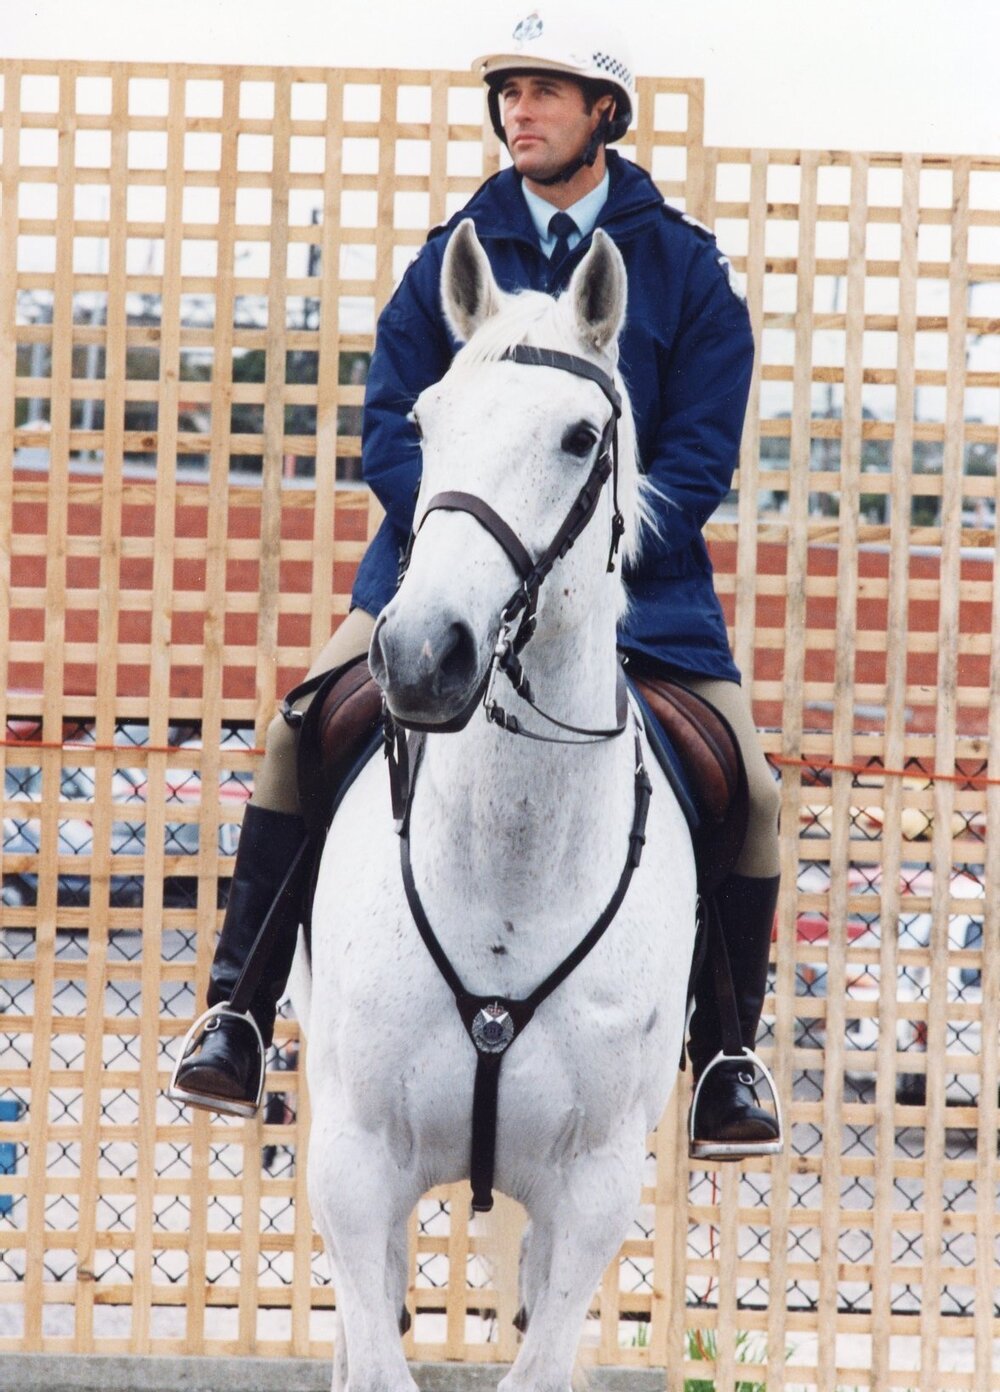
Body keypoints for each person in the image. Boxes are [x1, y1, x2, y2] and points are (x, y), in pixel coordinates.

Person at [172, 7, 783, 1161]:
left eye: (545, 92)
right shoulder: (451, 252)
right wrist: (466, 551)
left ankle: (726, 1061)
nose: (520, 112)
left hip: (632, 592)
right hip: (442, 576)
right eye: (508, 92)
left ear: (603, 111)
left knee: (752, 794)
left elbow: (699, 453)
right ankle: (238, 1014)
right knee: (297, 728)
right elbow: (390, 429)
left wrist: (583, 563)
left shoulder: (685, 270)